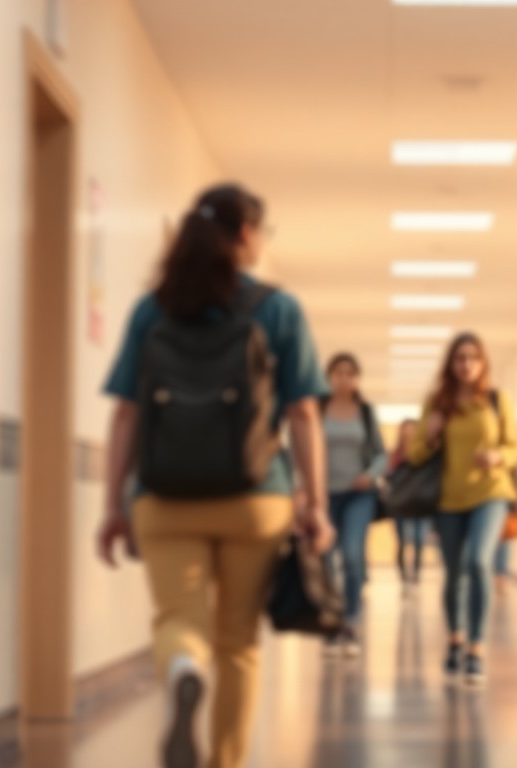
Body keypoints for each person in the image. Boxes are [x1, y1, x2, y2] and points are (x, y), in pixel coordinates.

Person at [95, 183, 334, 768]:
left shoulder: (152, 309)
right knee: (238, 644)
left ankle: (182, 667)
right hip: (256, 499)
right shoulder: (278, 309)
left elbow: (125, 412)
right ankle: (224, 762)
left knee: (180, 620)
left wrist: (111, 504)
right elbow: (303, 413)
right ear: (248, 236)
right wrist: (317, 504)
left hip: (164, 496)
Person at [407, 332, 517, 685]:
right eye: (460, 358)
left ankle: (476, 648)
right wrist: (432, 435)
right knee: (454, 572)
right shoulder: (436, 403)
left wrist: (498, 456)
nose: (467, 364)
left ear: (483, 362)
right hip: (448, 499)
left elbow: (514, 447)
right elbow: (414, 455)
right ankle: (455, 637)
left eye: (474, 357)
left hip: (491, 492)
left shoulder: (498, 400)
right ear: (450, 364)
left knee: (479, 562)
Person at [320, 353, 388, 658]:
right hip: (324, 496)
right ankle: (330, 625)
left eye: (350, 373)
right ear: (329, 377)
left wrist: (369, 475)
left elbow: (382, 455)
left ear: (357, 378)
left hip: (358, 495)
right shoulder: (317, 409)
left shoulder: (366, 412)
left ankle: (351, 622)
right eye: (338, 373)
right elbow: (300, 447)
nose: (344, 378)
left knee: (351, 554)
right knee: (324, 560)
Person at [389, 419, 430, 595]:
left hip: (420, 502)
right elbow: (388, 474)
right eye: (405, 431)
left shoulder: (423, 453)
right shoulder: (396, 455)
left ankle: (416, 575)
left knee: (420, 539)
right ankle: (404, 579)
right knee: (402, 540)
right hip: (401, 503)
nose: (409, 435)